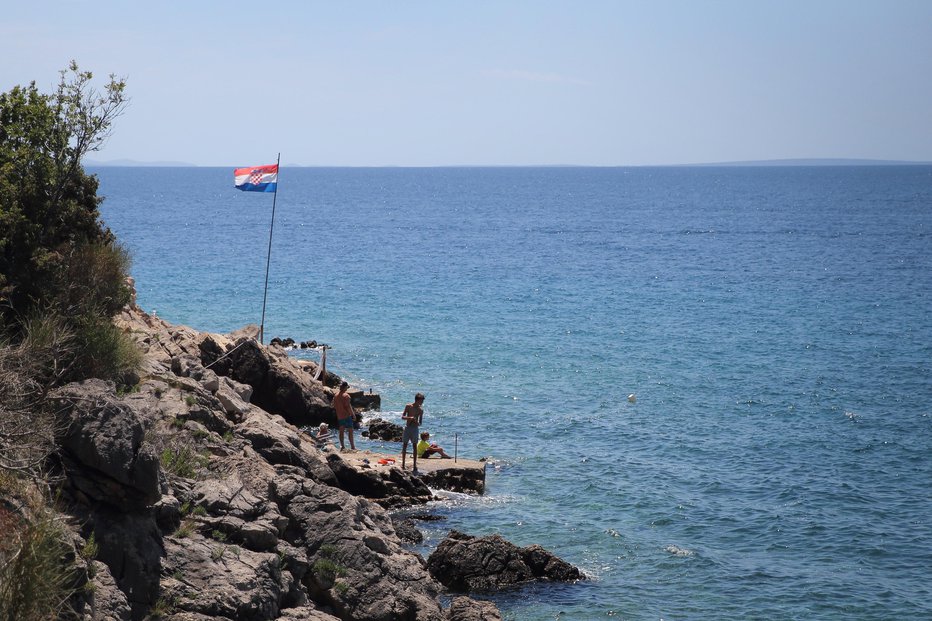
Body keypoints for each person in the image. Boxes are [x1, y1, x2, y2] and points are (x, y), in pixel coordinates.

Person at [400, 392, 425, 472]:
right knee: (405, 445)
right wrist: (410, 418)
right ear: (417, 400)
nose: (422, 403)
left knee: (414, 447)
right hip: (407, 428)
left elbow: (420, 423)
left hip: (415, 429)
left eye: (422, 401)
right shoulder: (408, 406)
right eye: (421, 401)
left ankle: (414, 465)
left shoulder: (420, 410)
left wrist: (416, 422)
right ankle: (403, 464)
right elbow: (403, 417)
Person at [332, 381, 356, 451]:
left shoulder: (336, 395)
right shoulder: (346, 396)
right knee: (350, 430)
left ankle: (342, 446)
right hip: (346, 416)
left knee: (341, 430)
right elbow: (348, 406)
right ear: (345, 387)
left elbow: (334, 405)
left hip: (339, 416)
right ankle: (352, 447)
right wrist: (353, 415)